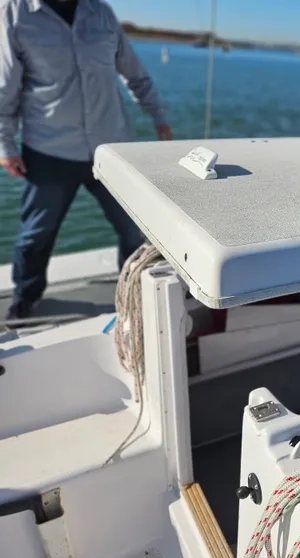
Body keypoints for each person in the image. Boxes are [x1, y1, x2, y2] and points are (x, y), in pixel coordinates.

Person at [0, 0, 172, 321]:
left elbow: (134, 73)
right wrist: (4, 144)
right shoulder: (13, 12)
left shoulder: (102, 12)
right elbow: (4, 86)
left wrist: (158, 116)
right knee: (36, 234)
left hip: (112, 148)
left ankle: (134, 294)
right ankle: (25, 297)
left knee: (134, 229)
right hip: (50, 149)